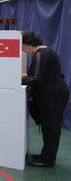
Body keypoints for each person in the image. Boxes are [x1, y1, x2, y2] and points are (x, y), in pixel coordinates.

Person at [22, 31, 69, 167]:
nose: (24, 51)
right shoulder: (45, 52)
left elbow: (37, 78)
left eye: (23, 47)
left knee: (51, 128)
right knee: (49, 127)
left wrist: (17, 81)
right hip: (54, 93)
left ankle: (48, 159)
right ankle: (46, 155)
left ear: (29, 44)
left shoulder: (41, 54)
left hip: (53, 95)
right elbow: (37, 75)